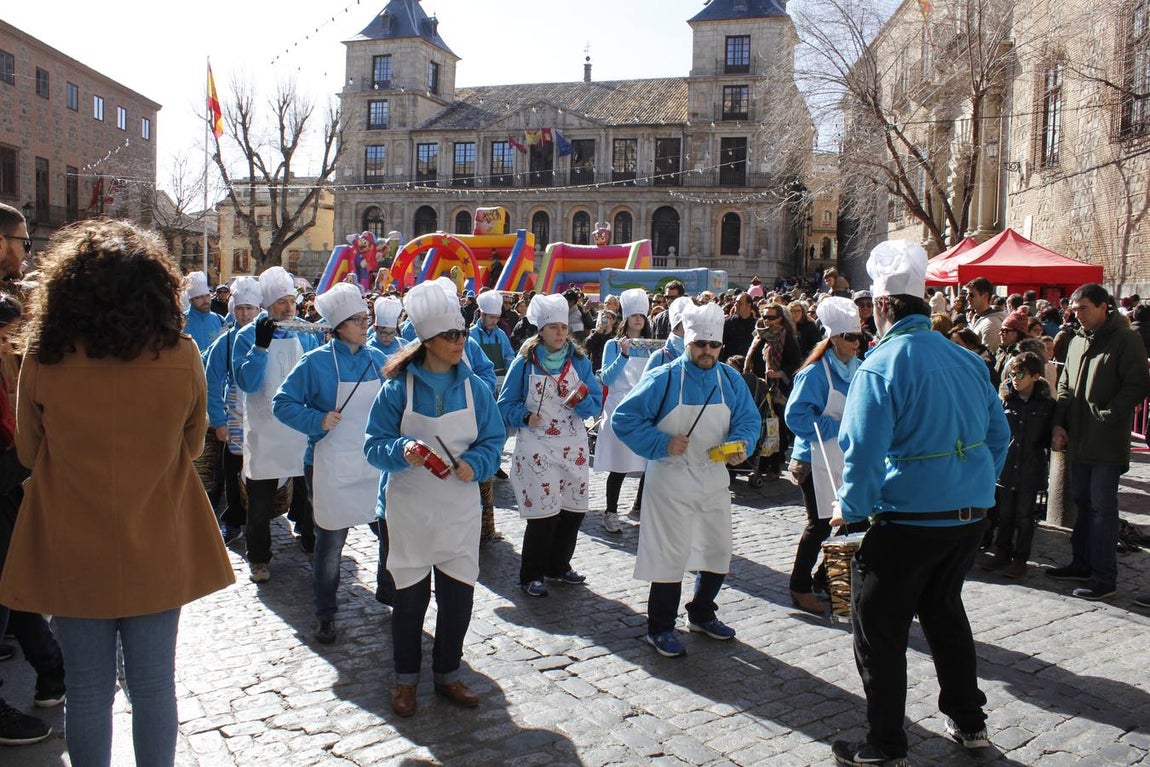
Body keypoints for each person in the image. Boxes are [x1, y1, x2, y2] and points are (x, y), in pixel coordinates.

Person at [0, 219, 234, 765]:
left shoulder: (43, 357)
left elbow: (30, 453)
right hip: (156, 539)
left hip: (74, 544)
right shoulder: (180, 354)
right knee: (155, 689)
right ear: (155, 286)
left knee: (86, 692)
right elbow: (194, 441)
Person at [829, 240, 1009, 767]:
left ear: (883, 307)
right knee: (945, 613)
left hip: (908, 521)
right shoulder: (967, 359)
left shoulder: (880, 364)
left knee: (879, 630)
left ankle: (886, 744)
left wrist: (850, 509)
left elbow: (861, 452)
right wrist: (971, 483)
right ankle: (969, 722)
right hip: (967, 517)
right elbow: (999, 439)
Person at [364, 280, 505, 717]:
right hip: (409, 509)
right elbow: (373, 444)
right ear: (427, 341)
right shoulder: (397, 389)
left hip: (459, 510)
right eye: (452, 336)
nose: (461, 342)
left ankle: (448, 673)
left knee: (458, 598)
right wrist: (400, 451)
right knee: (409, 600)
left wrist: (477, 464)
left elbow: (494, 439)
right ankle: (405, 679)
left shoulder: (475, 389)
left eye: (462, 334)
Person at [612, 301, 760, 658]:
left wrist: (741, 445)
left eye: (714, 345)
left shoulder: (729, 379)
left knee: (717, 548)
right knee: (669, 554)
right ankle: (660, 626)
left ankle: (701, 612)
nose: (707, 351)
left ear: (722, 347)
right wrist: (662, 443)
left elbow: (748, 420)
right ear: (687, 342)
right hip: (671, 478)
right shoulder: (664, 377)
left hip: (712, 477)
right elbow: (624, 418)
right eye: (700, 344)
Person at [273, 283, 387, 644]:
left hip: (373, 466)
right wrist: (317, 421)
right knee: (330, 544)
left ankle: (391, 596)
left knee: (390, 536)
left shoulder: (379, 360)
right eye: (357, 319)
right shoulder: (316, 362)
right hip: (329, 465)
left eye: (365, 317)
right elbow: (282, 403)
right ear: (338, 325)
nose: (365, 323)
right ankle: (325, 612)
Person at [1046, 283, 1150, 600]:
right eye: (1074, 310)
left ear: (1104, 307)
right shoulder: (1077, 340)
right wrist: (1059, 423)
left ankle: (1105, 577)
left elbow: (1137, 384)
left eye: (1084, 309)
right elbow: (1065, 386)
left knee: (1103, 509)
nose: (1078, 316)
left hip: (1106, 442)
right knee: (1083, 505)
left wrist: (1109, 413)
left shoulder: (1125, 339)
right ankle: (1082, 562)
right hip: (1079, 439)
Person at [497, 293, 603, 597]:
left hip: (573, 445)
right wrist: (525, 416)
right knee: (543, 513)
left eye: (564, 326)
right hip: (537, 446)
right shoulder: (525, 362)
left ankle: (558, 566)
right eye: (554, 327)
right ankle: (531, 574)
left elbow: (595, 402)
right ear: (540, 329)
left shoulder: (579, 361)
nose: (560, 332)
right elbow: (505, 403)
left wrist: (584, 404)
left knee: (573, 510)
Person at [783, 297, 865, 616]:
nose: (856, 343)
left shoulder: (861, 368)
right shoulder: (815, 373)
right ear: (833, 338)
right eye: (850, 337)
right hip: (817, 458)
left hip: (851, 456)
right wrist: (835, 424)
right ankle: (800, 585)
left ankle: (829, 580)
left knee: (855, 521)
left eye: (859, 337)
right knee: (819, 525)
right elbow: (796, 416)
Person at [234, 266, 313, 583]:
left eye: (291, 300)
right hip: (264, 431)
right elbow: (248, 383)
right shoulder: (245, 337)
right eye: (281, 301)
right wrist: (261, 347)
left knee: (307, 495)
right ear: (267, 303)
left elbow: (312, 377)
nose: (288, 307)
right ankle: (259, 558)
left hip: (299, 429)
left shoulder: (302, 334)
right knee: (260, 501)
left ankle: (311, 542)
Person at [980, 352, 1054, 579]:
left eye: (1020, 374)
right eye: (1012, 374)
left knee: (1024, 516)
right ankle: (1001, 553)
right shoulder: (1006, 400)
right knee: (1005, 514)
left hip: (1030, 467)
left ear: (1035, 376)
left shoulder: (1047, 405)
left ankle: (1020, 558)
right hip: (1007, 466)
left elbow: (1048, 436)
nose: (1015, 379)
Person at [203, 276, 262, 543]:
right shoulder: (225, 342)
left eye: (250, 308)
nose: (245, 313)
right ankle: (234, 518)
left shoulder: (271, 336)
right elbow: (212, 383)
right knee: (232, 470)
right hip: (236, 416)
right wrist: (219, 421)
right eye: (240, 308)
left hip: (265, 415)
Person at [595, 289, 654, 534]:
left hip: (644, 409)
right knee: (619, 465)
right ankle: (611, 512)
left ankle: (639, 507)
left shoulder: (652, 346)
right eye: (634, 315)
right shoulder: (612, 344)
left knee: (649, 463)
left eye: (642, 315)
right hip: (619, 408)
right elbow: (606, 378)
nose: (638, 319)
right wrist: (623, 355)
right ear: (626, 318)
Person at [469, 288, 516, 538]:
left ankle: (494, 456)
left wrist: (510, 364)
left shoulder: (500, 334)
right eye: (491, 317)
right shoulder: (471, 336)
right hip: (479, 387)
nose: (494, 322)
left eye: (497, 318)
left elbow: (508, 355)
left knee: (501, 426)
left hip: (498, 383)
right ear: (481, 313)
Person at [183, 270, 225, 353]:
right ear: (191, 300)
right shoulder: (181, 322)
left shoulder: (220, 320)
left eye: (207, 296)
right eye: (199, 297)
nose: (205, 300)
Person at [966, 276, 1004, 355]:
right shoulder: (977, 317)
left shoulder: (991, 324)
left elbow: (988, 357)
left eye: (972, 295)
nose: (967, 298)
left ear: (985, 296)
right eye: (967, 294)